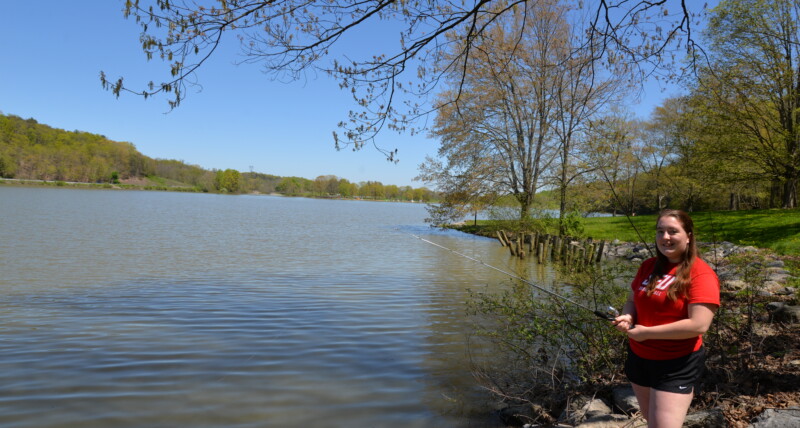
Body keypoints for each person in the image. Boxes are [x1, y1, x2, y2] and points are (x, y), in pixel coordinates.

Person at [612, 209, 720, 428]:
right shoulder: (648, 266)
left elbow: (699, 325)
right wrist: (627, 316)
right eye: (660, 231)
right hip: (639, 358)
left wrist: (646, 333)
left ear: (688, 235)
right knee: (652, 420)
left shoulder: (701, 273)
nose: (665, 237)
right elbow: (633, 300)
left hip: (676, 364)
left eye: (673, 231)